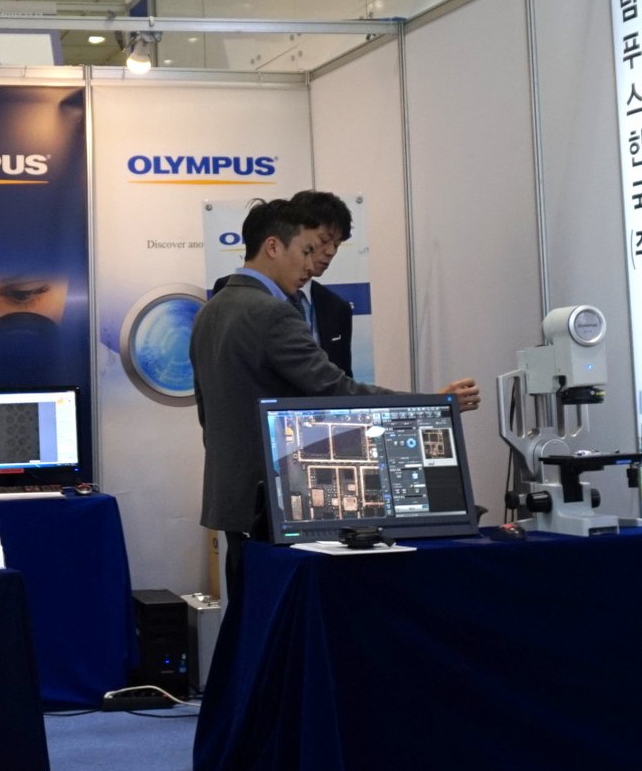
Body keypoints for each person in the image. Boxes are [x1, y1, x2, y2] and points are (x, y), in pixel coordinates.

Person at [192, 197, 479, 578]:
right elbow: (335, 390)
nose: (311, 265)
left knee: (251, 603)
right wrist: (431, 405)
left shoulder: (210, 310)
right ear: (274, 246)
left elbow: (205, 411)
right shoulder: (273, 313)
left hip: (235, 498)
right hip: (280, 501)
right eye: (306, 251)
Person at [286, 189, 481, 416]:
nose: (330, 252)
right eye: (323, 240)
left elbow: (344, 390)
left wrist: (433, 404)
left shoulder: (336, 307)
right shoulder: (261, 302)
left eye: (337, 245)